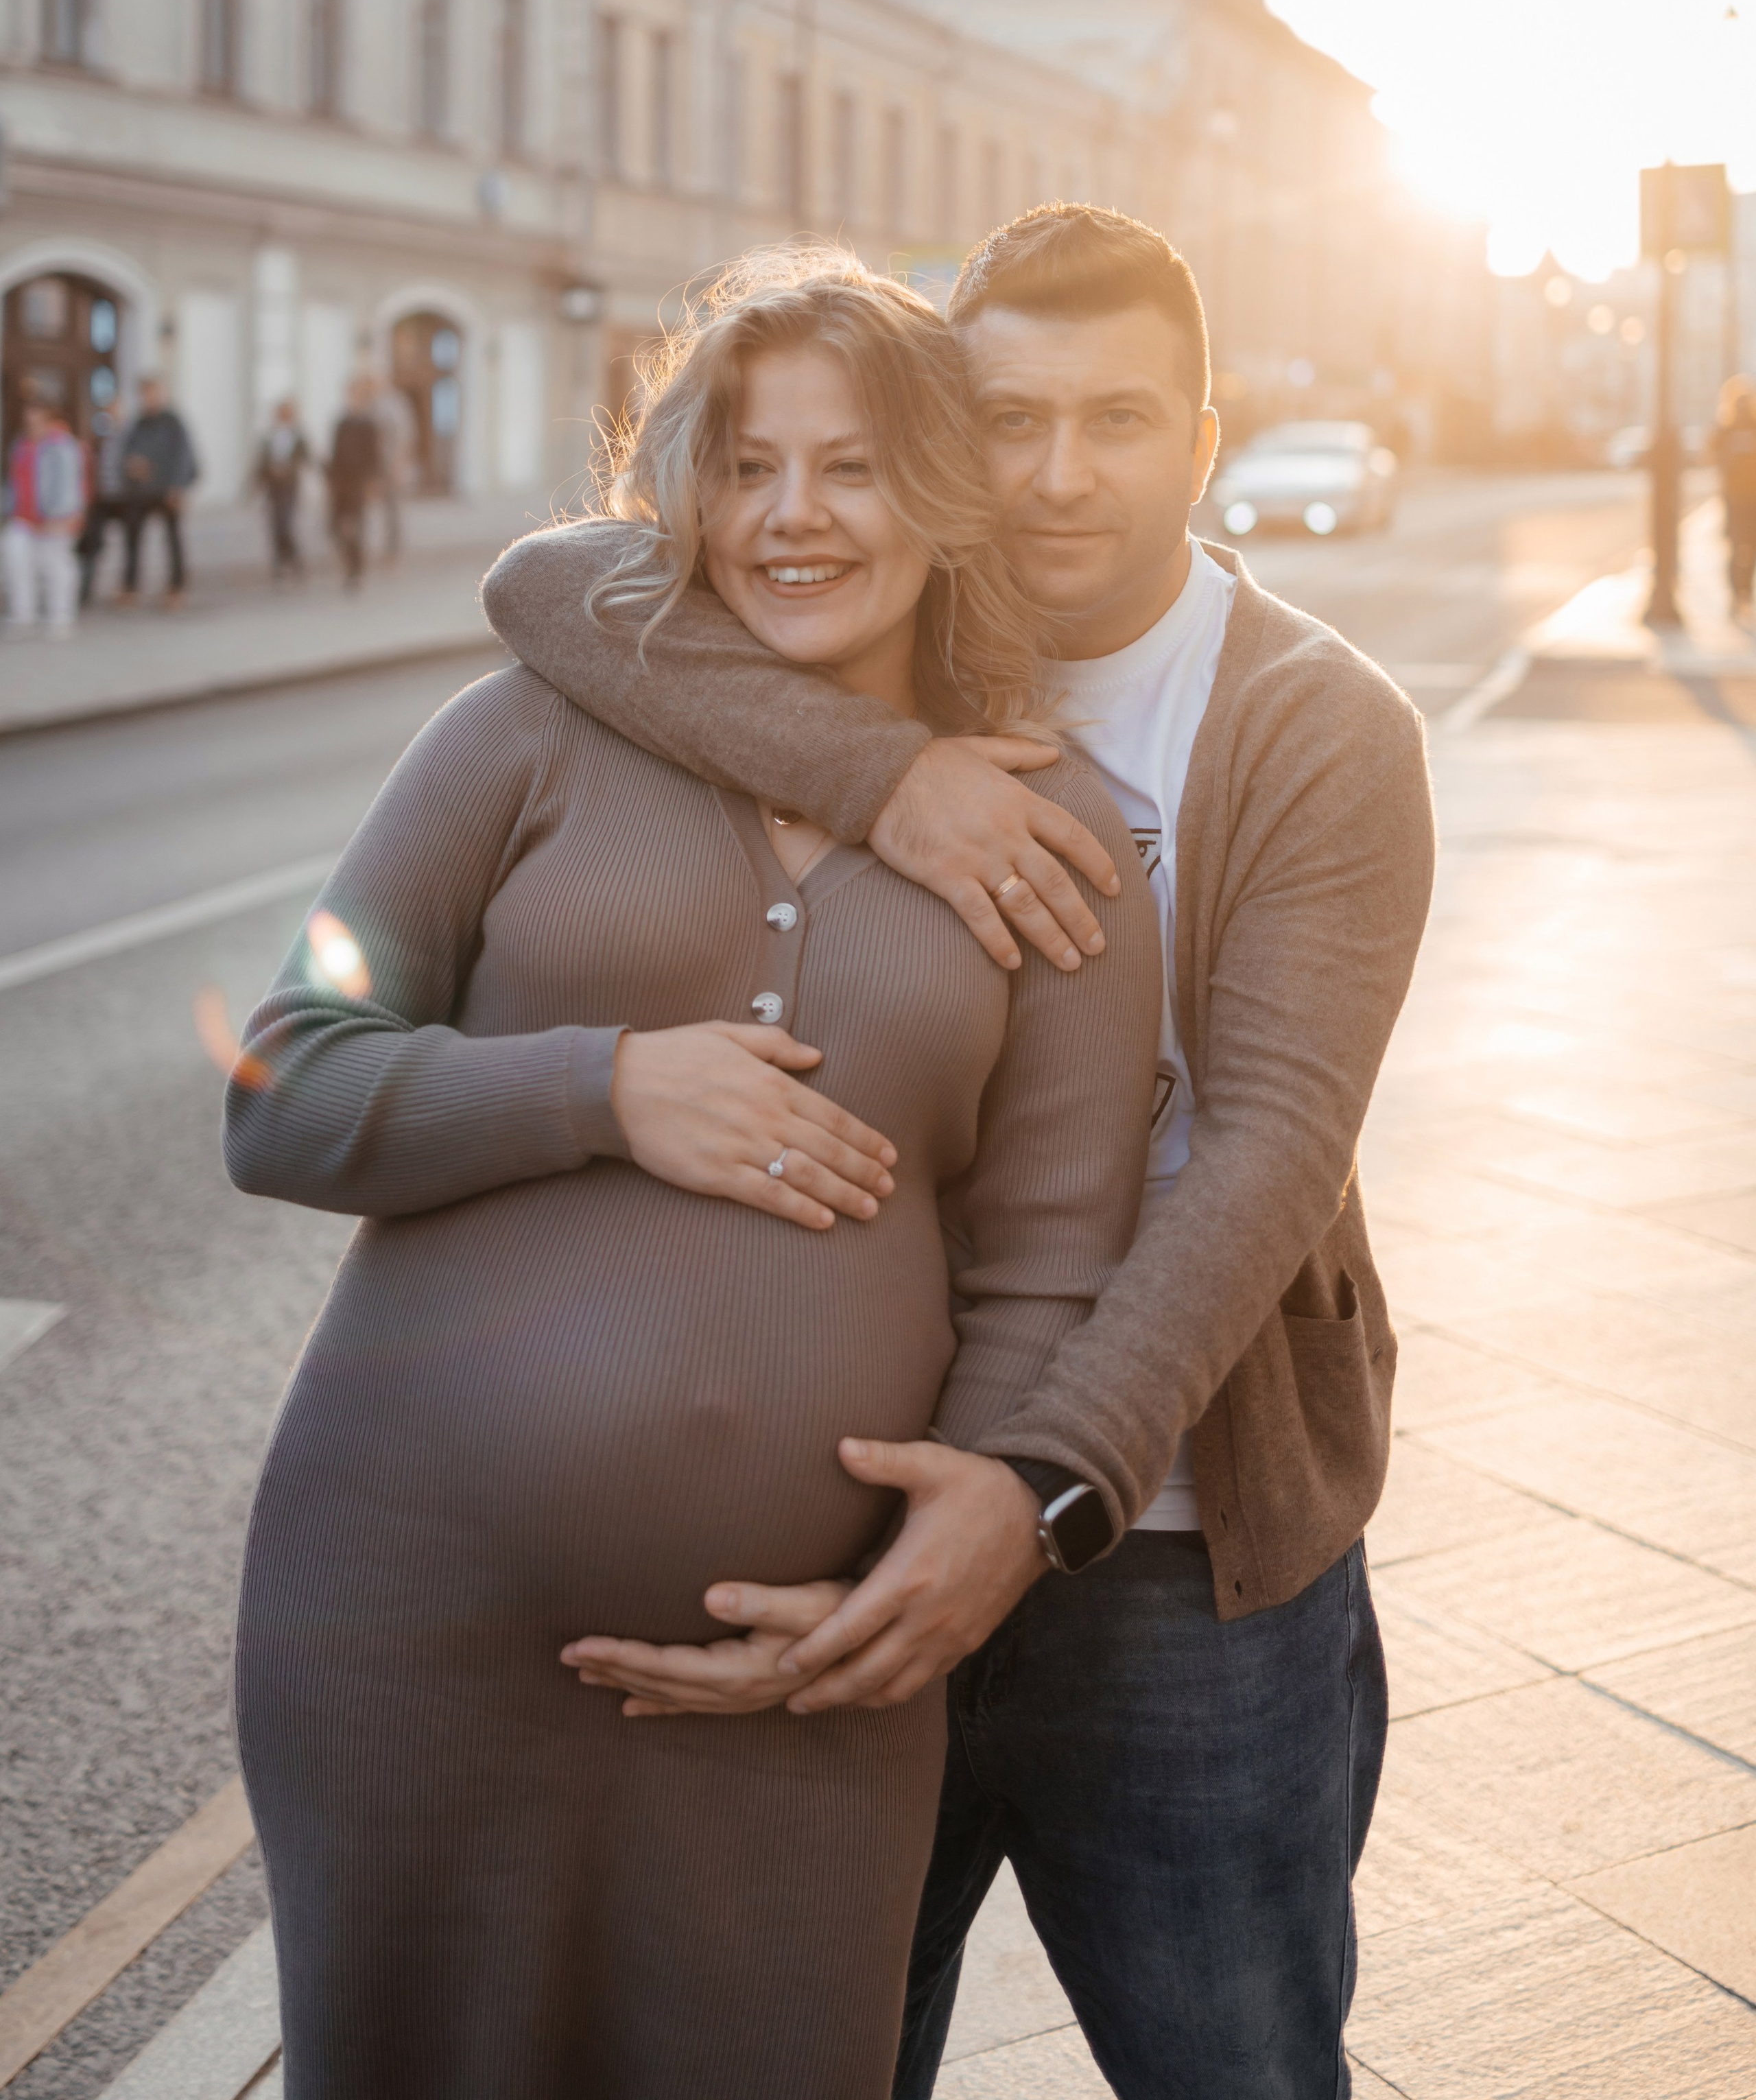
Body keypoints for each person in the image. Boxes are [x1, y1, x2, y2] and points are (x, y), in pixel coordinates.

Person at [483, 202, 1438, 2100]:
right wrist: (884, 769)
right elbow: (542, 585)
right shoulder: (850, 649)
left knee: (1234, 2067)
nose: (1061, 475)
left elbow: (1264, 1153)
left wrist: (1039, 1489)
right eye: (1007, 419)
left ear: (1204, 437)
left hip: (1170, 1562)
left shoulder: (1316, 725)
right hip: (832, 1511)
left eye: (1122, 420)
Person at [223, 250, 1160, 2100]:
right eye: (743, 466)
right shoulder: (519, 735)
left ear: (944, 495)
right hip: (408, 1623)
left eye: (854, 467)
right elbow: (280, 1090)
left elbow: (1048, 1265)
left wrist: (919, 1573)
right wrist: (607, 1086)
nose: (791, 518)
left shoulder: (1057, 843)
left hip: (800, 1676)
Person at [5, 394, 88, 639]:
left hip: (55, 518)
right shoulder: (21, 445)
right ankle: (23, 614)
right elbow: (15, 481)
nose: (32, 424)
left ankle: (61, 617)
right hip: (24, 517)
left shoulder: (63, 445)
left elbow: (71, 484)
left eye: (38, 419)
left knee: (56, 566)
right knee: (16, 560)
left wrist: (62, 515)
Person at [119, 374, 199, 607]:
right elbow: (126, 452)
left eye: (153, 392)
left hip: (167, 490)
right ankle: (130, 585)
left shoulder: (174, 422)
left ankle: (177, 587)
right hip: (140, 491)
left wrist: (178, 487)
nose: (149, 397)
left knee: (173, 540)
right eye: (145, 393)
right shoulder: (138, 422)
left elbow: (185, 456)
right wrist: (133, 465)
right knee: (132, 539)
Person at [326, 377, 382, 589]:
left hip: (359, 483)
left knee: (355, 528)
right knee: (337, 528)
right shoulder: (342, 423)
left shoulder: (368, 424)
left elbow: (373, 457)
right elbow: (335, 454)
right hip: (341, 484)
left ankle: (356, 570)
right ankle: (349, 565)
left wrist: (372, 483)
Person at [77, 391, 131, 606]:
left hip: (126, 498)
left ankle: (127, 588)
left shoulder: (132, 435)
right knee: (92, 541)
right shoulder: (99, 437)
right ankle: (85, 589)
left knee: (130, 543)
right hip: (102, 498)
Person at [1711, 372, 1756, 617]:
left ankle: (1741, 593)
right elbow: (1714, 456)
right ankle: (1741, 593)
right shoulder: (1725, 429)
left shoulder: (1728, 428)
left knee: (1741, 546)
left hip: (1742, 497)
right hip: (1737, 497)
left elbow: (1713, 457)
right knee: (1740, 546)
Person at [254, 398, 312, 579]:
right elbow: (260, 462)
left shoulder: (299, 435)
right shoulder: (269, 435)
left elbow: (305, 459)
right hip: (273, 486)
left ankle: (294, 560)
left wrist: (288, 468)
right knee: (275, 525)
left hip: (290, 485)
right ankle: (280, 563)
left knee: (286, 523)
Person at [372, 369, 417, 560]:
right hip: (380, 465)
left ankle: (394, 552)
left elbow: (406, 435)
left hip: (393, 465)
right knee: (386, 510)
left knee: (394, 511)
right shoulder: (375, 404)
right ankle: (388, 549)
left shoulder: (396, 404)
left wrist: (399, 463)